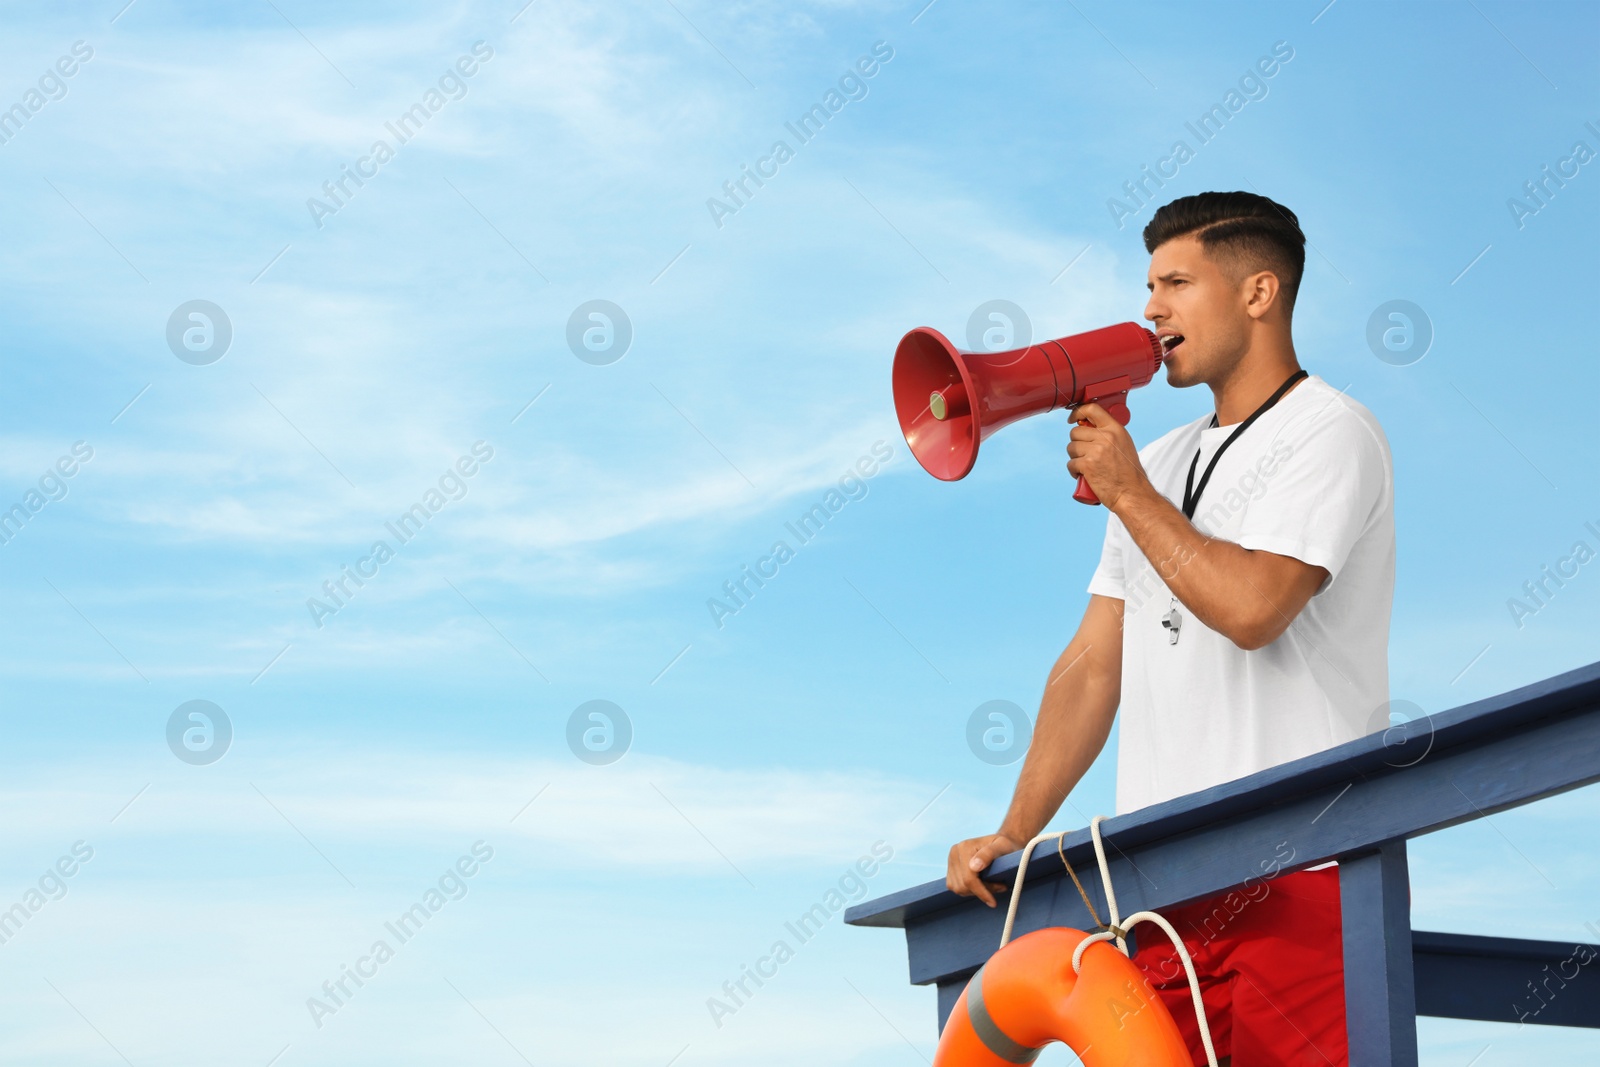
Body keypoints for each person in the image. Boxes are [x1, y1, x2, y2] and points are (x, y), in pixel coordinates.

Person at [944, 191, 1395, 1067]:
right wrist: (1016, 828)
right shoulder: (1156, 460)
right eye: (1150, 284)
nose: (1151, 309)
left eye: (1177, 282)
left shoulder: (1331, 433)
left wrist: (1131, 496)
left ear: (1259, 293)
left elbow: (1256, 609)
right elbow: (1091, 665)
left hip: (1304, 882)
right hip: (1160, 894)